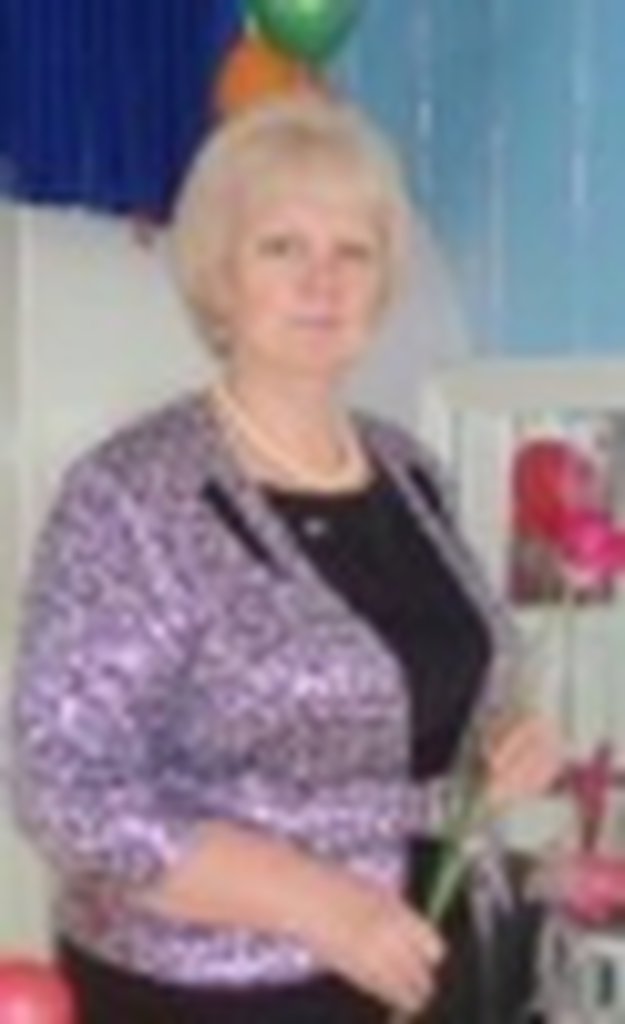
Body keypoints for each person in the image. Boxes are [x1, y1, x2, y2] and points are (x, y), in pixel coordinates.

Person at [10, 94, 561, 1024]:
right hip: (223, 992)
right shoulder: (132, 493)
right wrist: (320, 906)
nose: (323, 282)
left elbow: (447, 681)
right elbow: (67, 788)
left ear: (383, 285)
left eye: (353, 253)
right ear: (220, 275)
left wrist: (507, 737)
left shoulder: (409, 471)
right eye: (282, 248)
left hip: (428, 958)